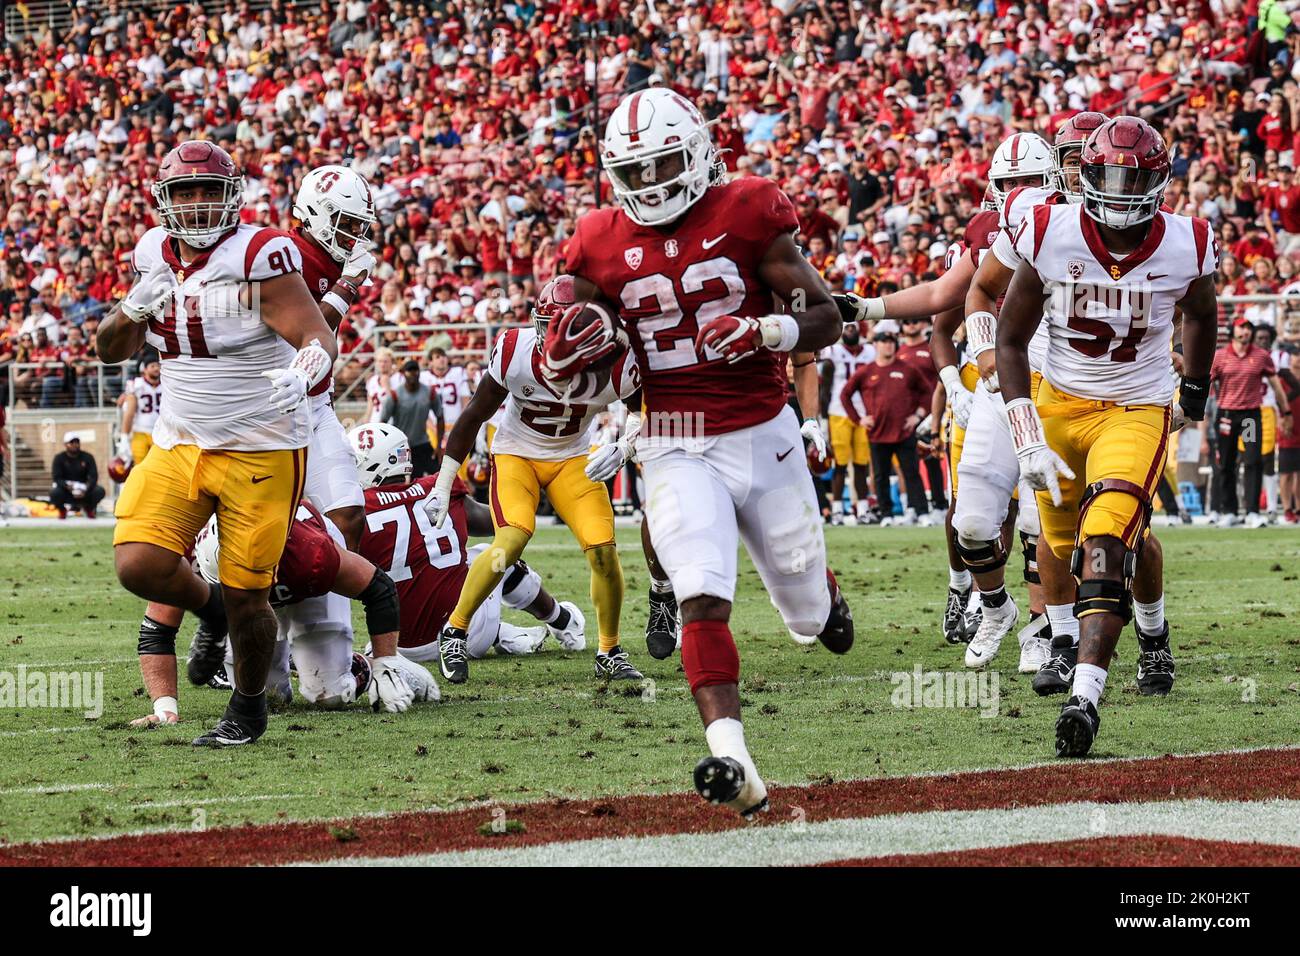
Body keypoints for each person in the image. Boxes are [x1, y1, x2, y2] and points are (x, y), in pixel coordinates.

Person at [559, 87, 850, 819]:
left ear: (696, 152)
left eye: (665, 164)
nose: (653, 184)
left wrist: (763, 334)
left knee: (808, 615)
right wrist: (592, 377)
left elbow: (824, 320)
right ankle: (732, 756)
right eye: (638, 170)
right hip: (675, 439)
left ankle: (828, 596)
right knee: (699, 589)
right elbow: (569, 332)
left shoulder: (749, 208)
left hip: (763, 430)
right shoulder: (595, 237)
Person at [96, 140, 338, 748]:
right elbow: (109, 349)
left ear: (233, 197)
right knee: (138, 563)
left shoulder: (260, 253)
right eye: (185, 192)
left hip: (261, 443)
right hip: (180, 438)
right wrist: (130, 310)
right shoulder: (151, 252)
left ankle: (248, 710)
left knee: (250, 594)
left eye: (209, 191)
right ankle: (208, 611)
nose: (198, 204)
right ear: (164, 200)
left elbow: (316, 334)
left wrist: (306, 367)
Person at [995, 116, 1220, 758]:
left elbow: (1202, 312)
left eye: (1133, 177)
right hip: (1059, 402)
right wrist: (1025, 432)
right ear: (1084, 174)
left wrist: (1195, 389)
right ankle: (1093, 640)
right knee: (1061, 540)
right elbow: (1010, 339)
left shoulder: (1187, 241)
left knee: (1107, 541)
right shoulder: (1048, 228)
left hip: (1136, 406)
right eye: (1107, 175)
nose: (1119, 190)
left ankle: (1085, 696)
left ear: (1159, 181)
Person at [421, 276, 643, 686]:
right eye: (546, 325)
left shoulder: (618, 360)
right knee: (511, 539)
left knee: (602, 550)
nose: (548, 338)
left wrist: (626, 446)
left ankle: (609, 649)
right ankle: (455, 629)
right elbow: (474, 415)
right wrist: (443, 481)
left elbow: (641, 410)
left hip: (573, 458)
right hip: (516, 455)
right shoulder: (515, 350)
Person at [350, 422, 586, 661]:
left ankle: (504, 634)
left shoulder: (357, 513)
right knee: (492, 554)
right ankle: (563, 622)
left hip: (397, 647)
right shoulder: (437, 488)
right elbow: (496, 522)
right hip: (462, 635)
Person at [840, 323, 933, 525]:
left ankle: (921, 512)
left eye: (891, 342)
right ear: (875, 345)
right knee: (880, 476)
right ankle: (886, 514)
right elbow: (845, 394)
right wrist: (859, 419)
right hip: (878, 432)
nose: (888, 346)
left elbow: (928, 392)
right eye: (883, 341)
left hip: (904, 431)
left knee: (912, 474)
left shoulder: (908, 369)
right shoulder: (866, 372)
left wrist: (918, 416)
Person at [1208, 319, 1293, 526]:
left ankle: (1253, 511)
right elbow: (1207, 383)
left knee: (1252, 460)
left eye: (1248, 328)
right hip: (1227, 414)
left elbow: (1276, 386)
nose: (1245, 332)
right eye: (1241, 327)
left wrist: (1286, 411)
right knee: (1226, 462)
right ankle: (1229, 511)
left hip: (1249, 417)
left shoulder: (1261, 356)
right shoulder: (1220, 356)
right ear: (1232, 330)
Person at [820, 322, 875, 525]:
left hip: (863, 414)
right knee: (840, 464)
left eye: (852, 326)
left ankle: (862, 509)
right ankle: (836, 510)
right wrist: (823, 419)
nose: (850, 330)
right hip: (838, 413)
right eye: (846, 327)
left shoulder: (870, 351)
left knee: (861, 464)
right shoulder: (832, 352)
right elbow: (825, 387)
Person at [381, 359, 443, 479]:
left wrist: (439, 446)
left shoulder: (429, 392)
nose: (413, 374)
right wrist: (388, 446)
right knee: (403, 480)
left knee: (439, 475)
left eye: (416, 370)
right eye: (410, 371)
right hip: (401, 446)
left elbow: (440, 417)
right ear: (403, 373)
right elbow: (383, 423)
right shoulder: (395, 395)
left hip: (422, 442)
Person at [50, 433, 105, 519]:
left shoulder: (88, 457)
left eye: (77, 442)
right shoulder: (59, 458)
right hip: (67, 490)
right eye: (71, 442)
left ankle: (89, 507)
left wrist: (86, 488)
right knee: (54, 493)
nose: (75, 445)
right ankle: (62, 510)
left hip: (84, 490)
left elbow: (93, 476)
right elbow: (57, 478)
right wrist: (68, 487)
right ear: (65, 444)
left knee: (99, 491)